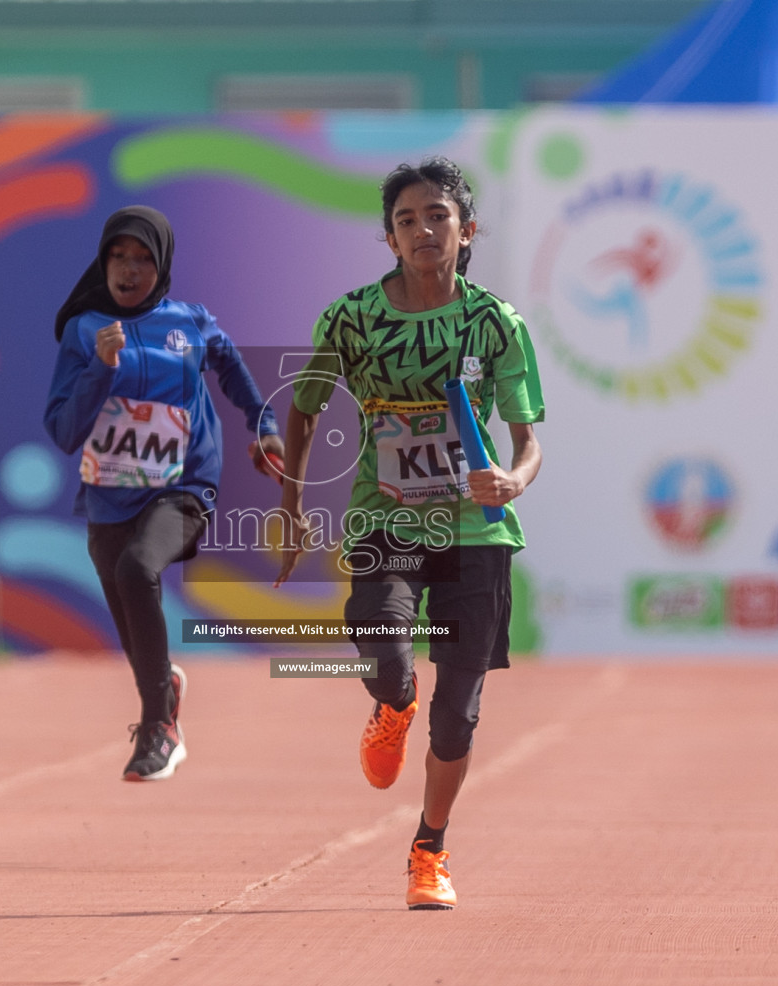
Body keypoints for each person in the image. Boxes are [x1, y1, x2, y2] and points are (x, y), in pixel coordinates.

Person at [275, 158, 544, 910]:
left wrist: (514, 480)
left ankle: (430, 847)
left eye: (438, 217)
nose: (424, 230)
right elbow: (304, 409)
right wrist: (292, 505)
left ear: (467, 230)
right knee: (392, 661)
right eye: (407, 220)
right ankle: (389, 707)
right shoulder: (352, 319)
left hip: (475, 531)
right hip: (386, 518)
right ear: (388, 238)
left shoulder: (494, 322)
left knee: (457, 710)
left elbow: (528, 440)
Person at [46, 205, 284, 781]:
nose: (129, 270)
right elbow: (62, 430)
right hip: (109, 495)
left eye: (144, 259)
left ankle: (160, 728)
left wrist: (264, 425)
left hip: (184, 485)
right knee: (129, 606)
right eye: (118, 257)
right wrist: (101, 368)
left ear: (164, 265)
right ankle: (163, 690)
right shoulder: (86, 332)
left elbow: (230, 368)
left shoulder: (190, 322)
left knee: (137, 569)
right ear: (102, 263)